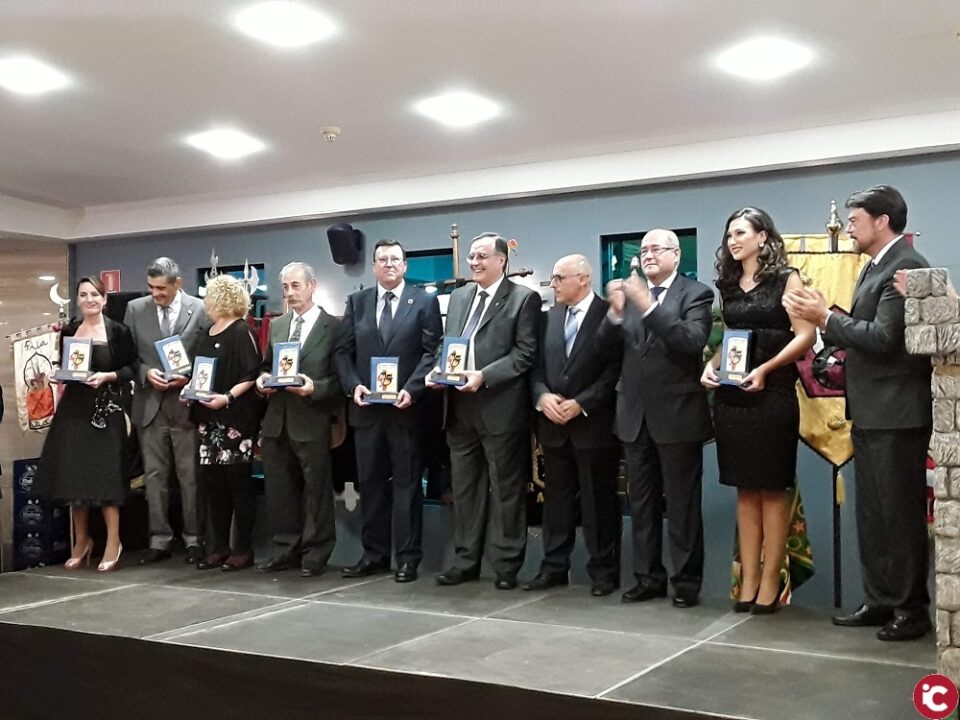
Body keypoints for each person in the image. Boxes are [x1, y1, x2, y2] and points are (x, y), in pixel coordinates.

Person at [783, 185, 932, 640]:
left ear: (882, 220)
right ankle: (881, 599)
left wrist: (826, 317)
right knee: (872, 514)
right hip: (871, 410)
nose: (848, 227)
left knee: (899, 515)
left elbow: (886, 338)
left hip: (897, 412)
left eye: (855, 219)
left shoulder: (905, 266)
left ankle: (910, 608)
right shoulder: (875, 266)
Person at [702, 208, 815, 614]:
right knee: (745, 491)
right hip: (734, 399)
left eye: (741, 233)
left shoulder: (787, 279)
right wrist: (710, 367)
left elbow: (806, 335)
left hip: (774, 394)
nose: (733, 241)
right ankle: (747, 580)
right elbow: (730, 340)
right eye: (729, 234)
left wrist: (766, 369)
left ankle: (771, 581)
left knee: (772, 489)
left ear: (763, 237)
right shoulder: (728, 286)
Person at [428, 232, 540, 589]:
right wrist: (436, 369)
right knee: (465, 491)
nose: (474, 263)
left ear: (502, 261)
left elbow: (524, 353)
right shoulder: (459, 297)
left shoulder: (524, 299)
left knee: (506, 492)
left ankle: (506, 566)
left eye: (481, 257)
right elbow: (448, 346)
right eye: (472, 257)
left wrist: (484, 377)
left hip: (500, 409)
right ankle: (465, 561)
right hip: (459, 409)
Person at [610, 230, 714, 608]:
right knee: (641, 503)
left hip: (677, 415)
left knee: (683, 505)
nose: (648, 255)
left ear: (676, 254)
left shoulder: (696, 293)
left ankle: (685, 582)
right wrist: (615, 313)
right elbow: (615, 350)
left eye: (656, 249)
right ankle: (647, 577)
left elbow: (689, 340)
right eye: (643, 250)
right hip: (634, 414)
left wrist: (648, 306)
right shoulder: (631, 297)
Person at [335, 239, 443, 583]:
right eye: (382, 260)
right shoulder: (357, 302)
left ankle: (408, 558)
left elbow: (432, 352)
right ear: (374, 266)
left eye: (395, 259)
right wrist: (354, 386)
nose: (389, 264)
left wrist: (412, 390)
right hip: (367, 411)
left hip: (406, 411)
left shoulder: (424, 300)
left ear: (405, 265)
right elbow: (342, 353)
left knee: (408, 487)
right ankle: (374, 555)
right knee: (371, 485)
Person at [525, 254, 623, 596]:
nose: (553, 285)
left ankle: (603, 571)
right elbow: (534, 365)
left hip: (592, 424)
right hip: (552, 423)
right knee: (556, 501)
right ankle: (553, 566)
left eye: (558, 278)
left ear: (582, 279)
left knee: (598, 502)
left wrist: (582, 403)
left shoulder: (608, 314)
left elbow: (614, 370)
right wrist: (541, 396)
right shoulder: (547, 318)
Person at [35, 277, 136, 572]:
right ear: (78, 299)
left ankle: (113, 542)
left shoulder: (119, 331)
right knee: (74, 476)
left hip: (107, 409)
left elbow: (131, 368)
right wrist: (57, 372)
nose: (89, 299)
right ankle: (82, 541)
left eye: (95, 294)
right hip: (74, 410)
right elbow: (64, 362)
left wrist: (107, 376)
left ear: (104, 299)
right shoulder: (69, 329)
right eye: (83, 294)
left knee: (106, 476)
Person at [256, 262, 343, 577]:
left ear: (312, 286)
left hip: (312, 418)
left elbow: (340, 379)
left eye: (295, 286)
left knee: (316, 491)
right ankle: (284, 550)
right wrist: (261, 380)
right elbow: (266, 366)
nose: (290, 293)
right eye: (285, 288)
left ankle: (316, 553)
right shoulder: (278, 326)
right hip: (277, 419)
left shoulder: (333, 327)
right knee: (279, 489)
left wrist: (314, 388)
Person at [124, 257, 210, 565]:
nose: (155, 293)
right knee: (154, 477)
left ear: (178, 284)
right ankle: (159, 539)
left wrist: (191, 379)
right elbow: (129, 357)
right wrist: (146, 372)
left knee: (190, 477)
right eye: (151, 287)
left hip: (185, 403)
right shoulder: (135, 309)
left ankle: (195, 539)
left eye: (161, 288)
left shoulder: (200, 308)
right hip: (149, 404)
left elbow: (209, 354)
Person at [185, 275, 262, 571]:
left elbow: (251, 374)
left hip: (235, 419)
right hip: (207, 419)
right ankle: (217, 546)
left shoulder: (243, 331)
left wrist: (227, 397)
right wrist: (188, 390)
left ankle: (242, 548)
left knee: (237, 485)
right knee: (213, 486)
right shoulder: (207, 332)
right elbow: (198, 372)